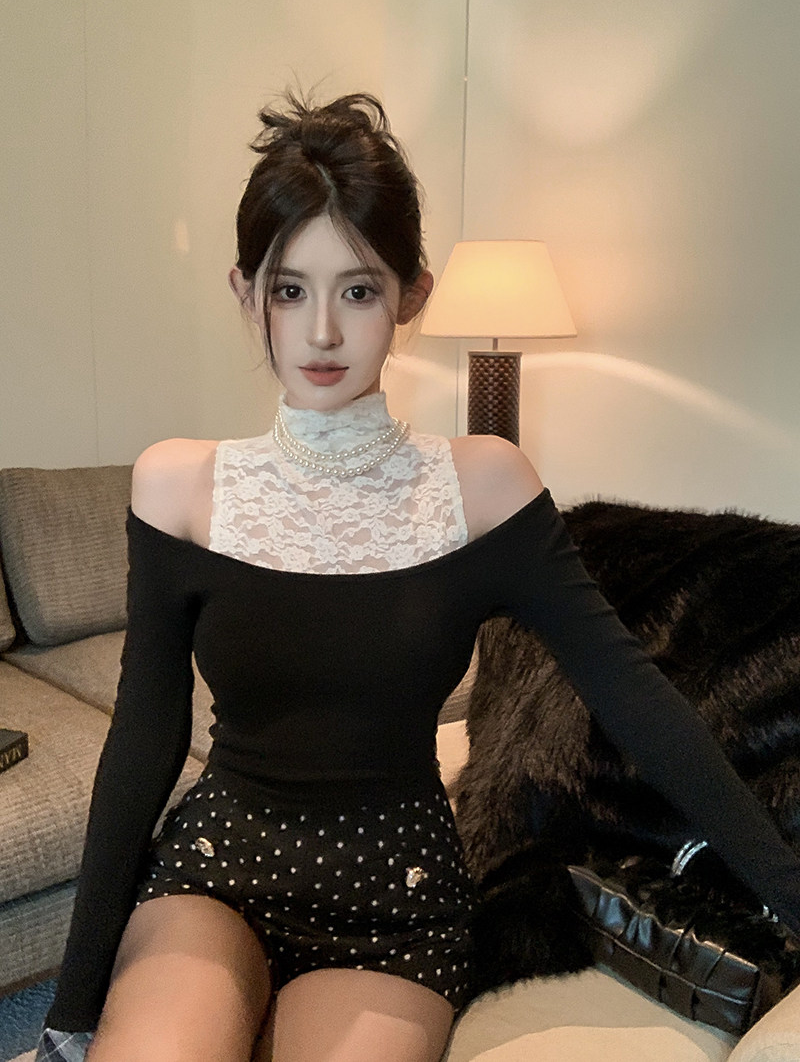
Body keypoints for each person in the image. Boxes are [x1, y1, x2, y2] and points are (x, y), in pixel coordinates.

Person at [37, 92, 800, 1062]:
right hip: (216, 871)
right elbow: (144, 739)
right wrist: (72, 1005)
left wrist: (790, 893)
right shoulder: (176, 485)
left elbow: (639, 703)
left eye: (357, 290)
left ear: (412, 294)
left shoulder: (482, 486)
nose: (321, 331)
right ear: (244, 290)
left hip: (393, 900)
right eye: (288, 289)